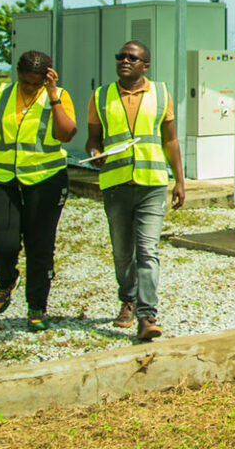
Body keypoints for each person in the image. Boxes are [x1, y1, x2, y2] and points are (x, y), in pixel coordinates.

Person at [0, 50, 77, 332]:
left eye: (36, 83)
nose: (30, 87)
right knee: (2, 241)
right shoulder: (0, 95)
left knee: (39, 245)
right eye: (25, 81)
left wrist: (53, 94)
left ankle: (36, 305)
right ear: (17, 74)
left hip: (45, 180)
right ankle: (7, 280)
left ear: (48, 77)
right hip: (2, 177)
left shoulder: (58, 96)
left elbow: (66, 133)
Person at [85, 41, 185, 342]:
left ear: (146, 65)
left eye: (132, 57)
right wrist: (94, 151)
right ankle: (127, 299)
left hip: (151, 184)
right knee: (121, 252)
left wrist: (179, 181)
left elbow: (169, 140)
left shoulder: (160, 93)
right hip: (116, 185)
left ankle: (147, 315)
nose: (124, 61)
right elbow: (93, 140)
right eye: (120, 56)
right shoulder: (101, 96)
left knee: (147, 251)